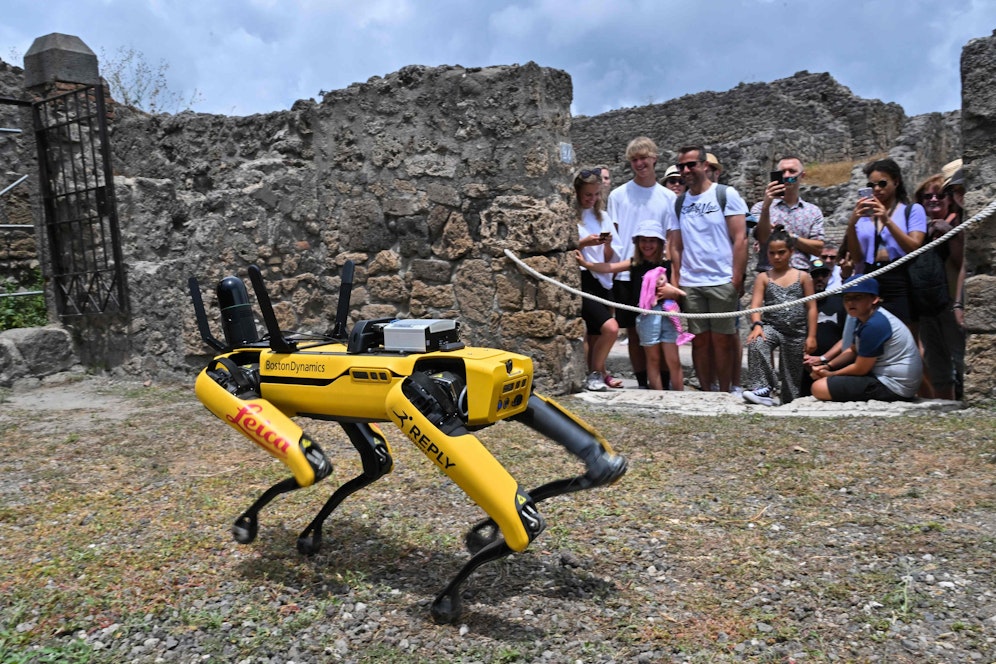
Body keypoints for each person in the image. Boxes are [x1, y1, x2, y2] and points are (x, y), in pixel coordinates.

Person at [669, 145, 748, 393]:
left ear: (705, 165)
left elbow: (740, 239)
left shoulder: (725, 194)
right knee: (700, 343)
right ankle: (706, 391)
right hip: (692, 282)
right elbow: (676, 247)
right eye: (681, 166)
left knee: (722, 342)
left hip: (721, 279)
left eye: (691, 164)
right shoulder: (679, 202)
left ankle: (724, 391)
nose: (685, 170)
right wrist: (677, 281)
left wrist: (736, 278)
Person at [577, 220, 689, 390]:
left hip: (667, 315)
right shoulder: (635, 263)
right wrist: (586, 264)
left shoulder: (667, 263)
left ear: (659, 243)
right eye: (643, 240)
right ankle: (657, 395)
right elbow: (610, 267)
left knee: (672, 359)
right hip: (646, 315)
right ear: (637, 243)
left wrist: (671, 292)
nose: (648, 244)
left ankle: (680, 396)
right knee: (652, 358)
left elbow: (675, 290)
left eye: (652, 240)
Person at [606, 137, 678, 388]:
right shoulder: (617, 195)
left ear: (654, 158)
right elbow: (613, 235)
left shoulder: (668, 197)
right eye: (634, 160)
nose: (639, 164)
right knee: (634, 332)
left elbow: (671, 237)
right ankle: (642, 383)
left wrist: (670, 275)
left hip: (658, 274)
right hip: (628, 273)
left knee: (663, 332)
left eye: (643, 158)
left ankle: (665, 382)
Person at [810, 276, 923, 402]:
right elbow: (852, 350)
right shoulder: (864, 318)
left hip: (894, 386)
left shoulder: (875, 324)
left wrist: (831, 375)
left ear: (874, 299)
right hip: (884, 377)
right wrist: (828, 366)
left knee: (819, 387)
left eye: (857, 297)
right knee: (823, 382)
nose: (850, 303)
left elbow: (861, 368)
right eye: (847, 298)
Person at [844, 158, 926, 329]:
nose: (877, 189)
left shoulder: (912, 210)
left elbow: (914, 247)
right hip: (871, 274)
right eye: (872, 185)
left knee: (906, 330)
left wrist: (886, 219)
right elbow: (858, 256)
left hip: (901, 275)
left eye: (882, 183)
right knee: (870, 329)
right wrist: (852, 224)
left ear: (896, 182)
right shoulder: (864, 217)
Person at [742, 228, 817, 406]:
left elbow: (812, 307)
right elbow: (755, 305)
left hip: (796, 332)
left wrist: (812, 336)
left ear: (791, 252)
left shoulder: (803, 276)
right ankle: (763, 388)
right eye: (772, 253)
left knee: (791, 376)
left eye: (781, 252)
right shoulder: (763, 277)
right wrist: (757, 325)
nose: (776, 257)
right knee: (757, 343)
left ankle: (789, 404)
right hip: (772, 327)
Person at [914, 173, 965, 400]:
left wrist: (950, 233)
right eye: (927, 196)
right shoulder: (918, 231)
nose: (933, 200)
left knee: (961, 357)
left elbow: (961, 261)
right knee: (936, 364)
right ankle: (946, 406)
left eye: (940, 195)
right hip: (927, 303)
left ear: (950, 198)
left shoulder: (959, 224)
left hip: (951, 302)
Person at [573, 167, 621, 391]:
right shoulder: (571, 218)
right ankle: (595, 373)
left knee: (595, 334)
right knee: (610, 329)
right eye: (587, 195)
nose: (592, 199)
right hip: (584, 279)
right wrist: (584, 243)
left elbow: (612, 255)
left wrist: (607, 243)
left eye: (596, 194)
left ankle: (597, 373)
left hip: (603, 279)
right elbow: (569, 249)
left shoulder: (603, 217)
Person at [752, 155, 825, 274]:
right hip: (769, 275)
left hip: (801, 275)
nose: (786, 176)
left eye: (792, 171)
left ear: (802, 176)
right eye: (782, 172)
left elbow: (818, 249)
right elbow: (762, 238)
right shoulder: (760, 208)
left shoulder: (813, 211)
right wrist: (766, 207)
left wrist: (790, 237)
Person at [799, 257, 847, 397]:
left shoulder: (840, 303)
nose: (820, 278)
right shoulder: (800, 305)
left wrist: (825, 360)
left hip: (834, 364)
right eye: (815, 275)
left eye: (824, 275)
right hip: (805, 367)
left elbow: (847, 337)